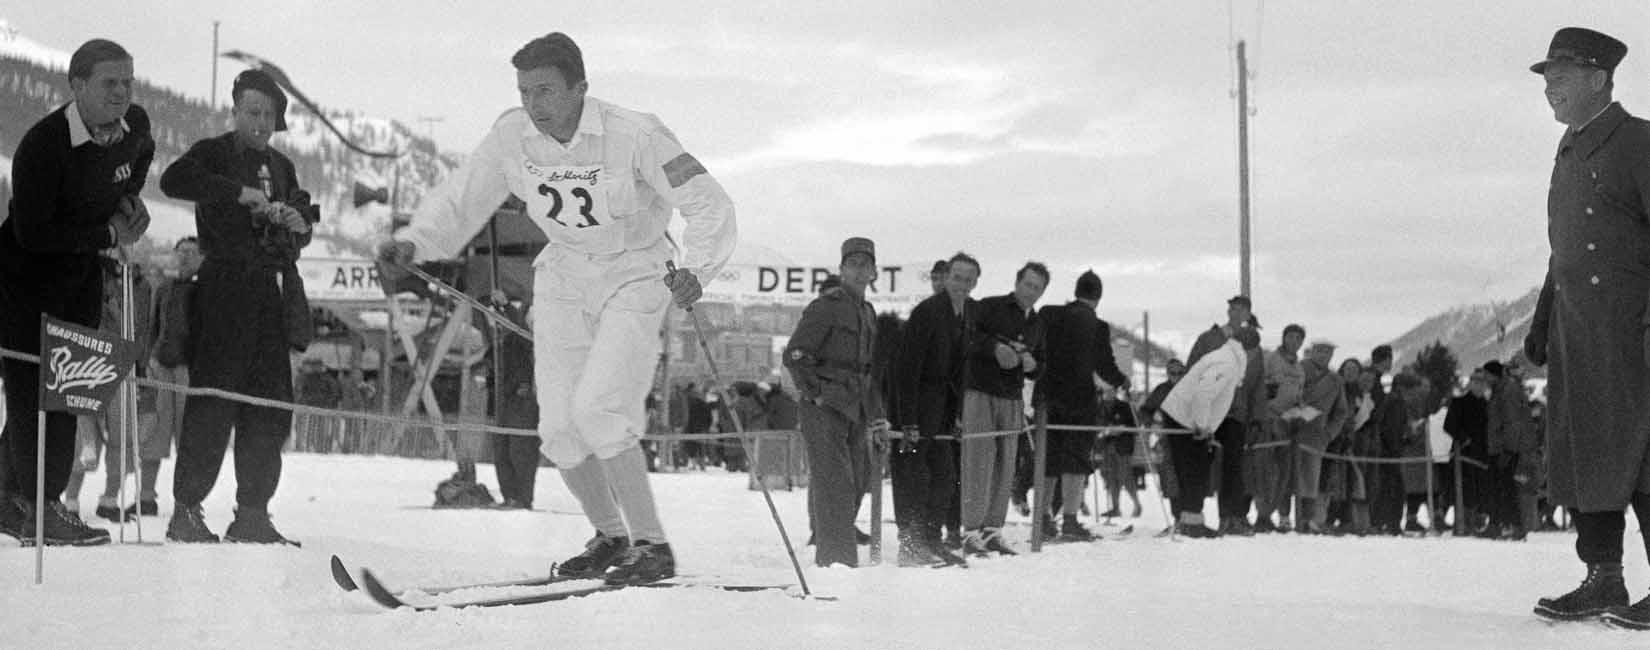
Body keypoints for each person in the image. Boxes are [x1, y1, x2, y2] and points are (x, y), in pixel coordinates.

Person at [378, 33, 735, 585]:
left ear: (580, 89)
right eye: (524, 92)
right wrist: (415, 241)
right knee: (560, 430)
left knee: (600, 409)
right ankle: (611, 536)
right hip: (565, 274)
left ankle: (652, 544)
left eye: (545, 91)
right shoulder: (512, 135)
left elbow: (708, 203)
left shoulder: (636, 133)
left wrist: (699, 268)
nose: (533, 104)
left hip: (635, 271)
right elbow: (463, 196)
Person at [1517, 27, 1650, 627]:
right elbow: (1563, 250)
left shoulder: (1638, 141)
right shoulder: (1569, 149)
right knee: (1585, 451)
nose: (1549, 88)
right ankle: (1603, 578)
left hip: (1631, 333)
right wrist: (1544, 318)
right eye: (1546, 78)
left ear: (1599, 79)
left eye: (1561, 76)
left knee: (1642, 456)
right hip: (1579, 332)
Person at [0, 39, 153, 546]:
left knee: (67, 392)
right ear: (78, 85)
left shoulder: (136, 127)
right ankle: (44, 510)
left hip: (82, 277)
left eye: (128, 82)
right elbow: (34, 234)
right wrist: (109, 233)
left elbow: (140, 158)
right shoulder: (42, 147)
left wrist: (129, 200)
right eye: (110, 82)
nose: (121, 92)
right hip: (23, 282)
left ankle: (7, 499)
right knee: (38, 398)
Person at [160, 68, 317, 545]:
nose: (261, 122)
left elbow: (302, 218)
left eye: (268, 114)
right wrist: (237, 193)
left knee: (270, 404)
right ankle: (186, 510)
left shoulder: (283, 166)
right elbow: (173, 179)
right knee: (213, 400)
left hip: (271, 292)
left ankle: (253, 512)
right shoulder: (212, 153)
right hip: (223, 287)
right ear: (235, 112)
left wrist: (298, 223)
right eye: (253, 112)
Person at [784, 237, 886, 568]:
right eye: (852, 264)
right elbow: (795, 355)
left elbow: (869, 369)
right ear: (841, 269)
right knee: (835, 484)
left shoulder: (868, 313)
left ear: (873, 272)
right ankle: (836, 562)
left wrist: (877, 416)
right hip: (825, 408)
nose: (859, 271)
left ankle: (834, 547)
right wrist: (815, 393)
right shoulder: (826, 307)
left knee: (858, 480)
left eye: (865, 265)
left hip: (855, 407)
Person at [891, 252, 978, 567]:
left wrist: (957, 415)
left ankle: (931, 539)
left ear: (975, 283)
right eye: (957, 277)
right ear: (946, 277)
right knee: (914, 476)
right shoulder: (926, 312)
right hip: (917, 407)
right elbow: (907, 368)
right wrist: (908, 421)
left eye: (968, 280)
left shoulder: (966, 314)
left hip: (942, 410)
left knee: (944, 476)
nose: (961, 284)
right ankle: (910, 544)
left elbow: (960, 369)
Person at [1033, 269, 1129, 541]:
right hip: (1079, 401)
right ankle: (1070, 520)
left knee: (1048, 459)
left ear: (1076, 292)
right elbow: (1104, 365)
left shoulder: (1048, 314)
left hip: (1047, 399)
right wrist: (1122, 381)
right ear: (1098, 297)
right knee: (1075, 460)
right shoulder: (1097, 326)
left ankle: (1042, 518)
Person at [958, 262, 1046, 556]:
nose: (1031, 291)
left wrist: (1033, 365)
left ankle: (992, 529)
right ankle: (970, 530)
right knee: (978, 460)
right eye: (1028, 284)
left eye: (1037, 288)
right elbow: (970, 337)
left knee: (1006, 464)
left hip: (1012, 396)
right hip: (981, 390)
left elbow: (1042, 364)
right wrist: (995, 349)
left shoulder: (1037, 324)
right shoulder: (990, 307)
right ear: (1017, 282)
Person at [1160, 325, 1259, 538]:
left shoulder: (1224, 356)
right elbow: (1204, 394)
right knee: (1194, 470)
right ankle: (1192, 524)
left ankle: (1190, 521)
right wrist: (1203, 426)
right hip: (1186, 419)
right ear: (1249, 350)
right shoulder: (1228, 363)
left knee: (1191, 471)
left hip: (1182, 416)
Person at [141, 236, 203, 514]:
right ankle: (146, 496)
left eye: (191, 252)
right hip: (161, 365)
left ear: (201, 257)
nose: (185, 257)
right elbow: (153, 326)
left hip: (189, 370)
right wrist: (148, 360)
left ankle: (187, 501)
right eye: (181, 252)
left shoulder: (206, 289)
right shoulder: (165, 287)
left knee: (188, 438)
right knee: (153, 430)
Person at [487, 291, 541, 510]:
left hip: (525, 400)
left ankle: (522, 498)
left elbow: (523, 334)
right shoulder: (508, 340)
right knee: (502, 449)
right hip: (505, 398)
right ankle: (509, 495)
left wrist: (507, 306)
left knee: (521, 450)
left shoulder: (536, 338)